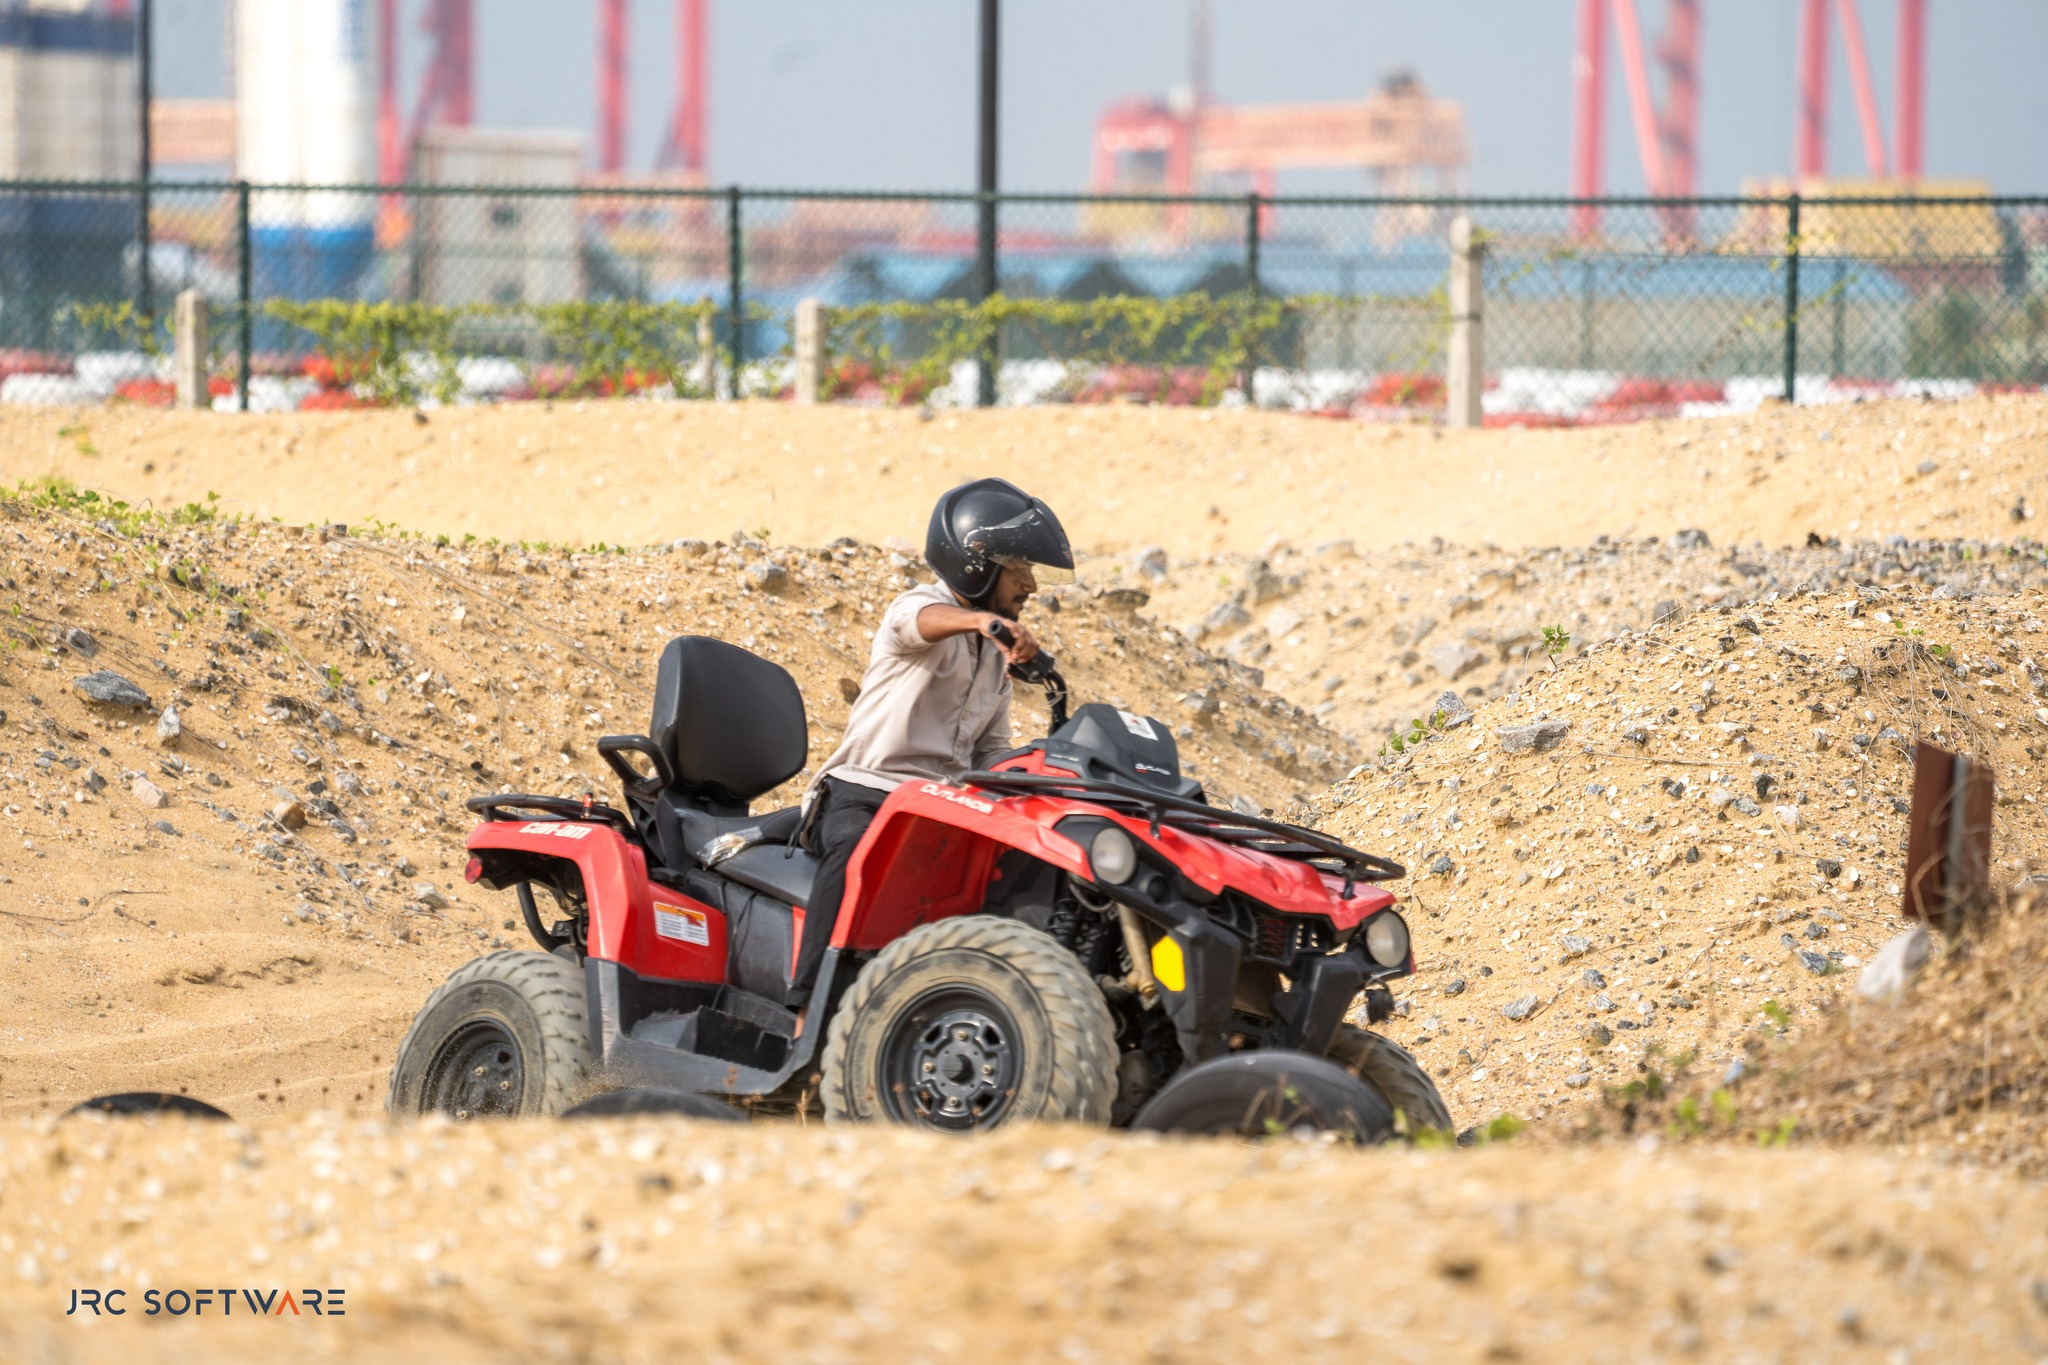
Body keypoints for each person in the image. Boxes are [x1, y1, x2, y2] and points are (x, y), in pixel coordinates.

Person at [788, 477, 1074, 1011]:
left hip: (941, 808)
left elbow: (991, 754)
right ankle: (804, 1008)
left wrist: (1036, 775)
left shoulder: (994, 663)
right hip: (865, 791)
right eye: (1021, 570)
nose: (1031, 586)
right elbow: (918, 623)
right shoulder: (918, 608)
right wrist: (984, 622)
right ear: (978, 563)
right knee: (857, 850)